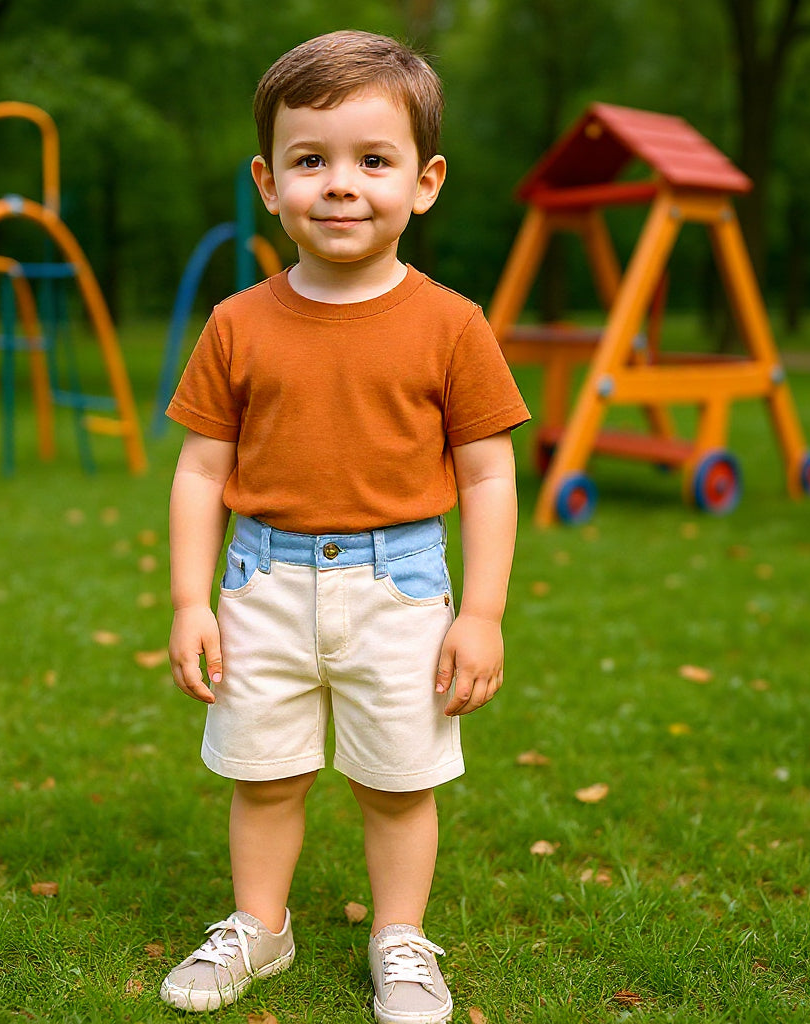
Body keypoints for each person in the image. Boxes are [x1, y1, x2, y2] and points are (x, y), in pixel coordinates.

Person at [159, 29, 530, 1024]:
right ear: (268, 181)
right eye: (308, 160)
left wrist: (481, 612)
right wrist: (191, 599)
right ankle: (259, 926)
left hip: (399, 587)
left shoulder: (451, 325)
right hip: (260, 585)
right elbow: (200, 468)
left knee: (397, 784)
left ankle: (399, 937)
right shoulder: (238, 323)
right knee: (264, 773)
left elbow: (489, 472)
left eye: (373, 160)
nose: (339, 185)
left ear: (425, 181)